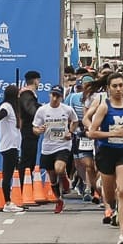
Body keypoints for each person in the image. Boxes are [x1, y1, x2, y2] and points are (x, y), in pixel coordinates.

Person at [86, 73, 123, 244]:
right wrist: (111, 134)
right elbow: (92, 132)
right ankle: (113, 207)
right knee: (110, 196)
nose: (118, 89)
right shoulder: (104, 107)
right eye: (114, 86)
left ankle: (122, 235)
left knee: (122, 190)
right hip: (106, 152)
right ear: (108, 88)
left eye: (121, 85)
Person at [32, 86, 77, 214]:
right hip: (48, 146)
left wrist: (71, 132)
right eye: (53, 95)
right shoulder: (42, 110)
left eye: (58, 95)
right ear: (49, 95)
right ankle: (59, 200)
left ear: (62, 97)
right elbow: (34, 128)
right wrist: (38, 130)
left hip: (63, 144)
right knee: (52, 177)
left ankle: (64, 177)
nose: (55, 98)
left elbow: (75, 121)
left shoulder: (67, 109)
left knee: (59, 168)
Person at [17, 71, 42, 176]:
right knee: (28, 160)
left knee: (30, 159)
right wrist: (42, 110)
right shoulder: (26, 94)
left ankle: (25, 183)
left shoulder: (27, 94)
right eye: (39, 80)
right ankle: (23, 185)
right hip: (28, 130)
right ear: (36, 80)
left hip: (29, 130)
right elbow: (31, 110)